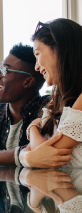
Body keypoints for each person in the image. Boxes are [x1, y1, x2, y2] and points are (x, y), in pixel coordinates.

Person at [19, 18, 82, 168]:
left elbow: (49, 156)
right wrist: (28, 158)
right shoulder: (57, 99)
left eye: (38, 54)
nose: (36, 67)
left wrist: (32, 129)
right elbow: (34, 153)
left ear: (61, 49)